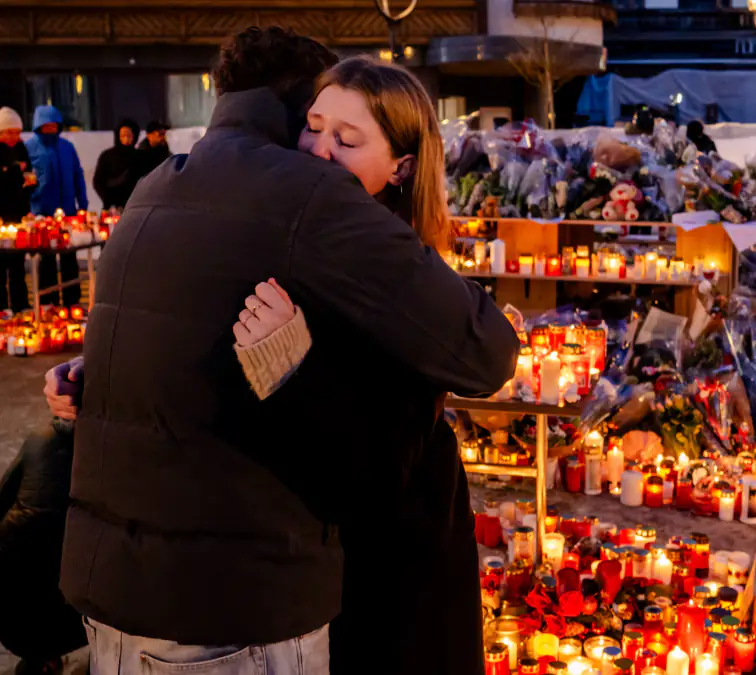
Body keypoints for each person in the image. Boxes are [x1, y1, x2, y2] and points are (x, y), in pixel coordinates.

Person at [60, 27, 518, 675]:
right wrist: (93, 374)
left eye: (349, 139)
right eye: (313, 126)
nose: (320, 151)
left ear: (404, 164)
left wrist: (291, 368)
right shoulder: (298, 221)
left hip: (392, 598)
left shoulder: (371, 263)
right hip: (237, 594)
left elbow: (380, 473)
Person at [0, 423, 86, 675]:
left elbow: (4, 492)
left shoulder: (41, 438)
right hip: (76, 609)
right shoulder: (108, 455)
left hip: (15, 620)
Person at [24, 105, 86, 306]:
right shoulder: (29, 148)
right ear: (38, 126)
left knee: (69, 258)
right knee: (47, 261)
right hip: (42, 214)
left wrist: (82, 203)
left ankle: (72, 300)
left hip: (68, 211)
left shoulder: (67, 147)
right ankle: (47, 303)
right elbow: (23, 181)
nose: (50, 128)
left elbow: (78, 175)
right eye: (46, 125)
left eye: (53, 125)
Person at [0, 106, 32, 312]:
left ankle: (21, 305)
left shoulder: (21, 149)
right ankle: (2, 308)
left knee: (18, 265)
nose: (14, 137)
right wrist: (13, 172)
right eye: (9, 132)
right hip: (1, 215)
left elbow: (26, 175)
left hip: (17, 213)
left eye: (17, 132)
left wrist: (29, 184)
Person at [91, 119, 141, 210]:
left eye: (129, 135)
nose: (126, 139)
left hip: (134, 207)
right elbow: (98, 181)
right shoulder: (107, 155)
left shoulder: (140, 157)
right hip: (111, 207)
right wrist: (108, 199)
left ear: (135, 136)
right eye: (123, 135)